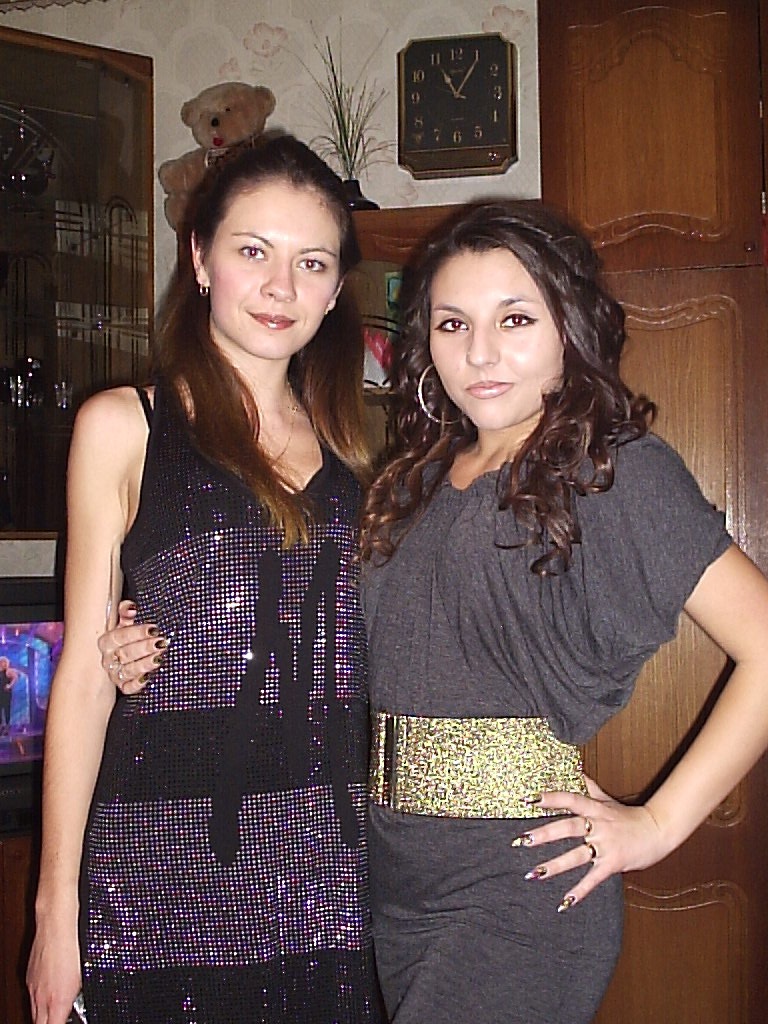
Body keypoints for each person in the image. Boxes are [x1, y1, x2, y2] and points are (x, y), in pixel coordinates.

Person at [95, 199, 768, 1023]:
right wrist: (148, 638)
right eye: (453, 324)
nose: (480, 352)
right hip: (383, 881)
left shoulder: (611, 469)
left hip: (516, 889)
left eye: (515, 319)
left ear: (570, 326)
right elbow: (314, 625)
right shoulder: (411, 480)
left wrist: (658, 823)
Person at [26, 134, 385, 1024]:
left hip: (331, 877)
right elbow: (83, 681)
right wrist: (53, 913)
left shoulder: (356, 454)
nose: (280, 287)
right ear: (199, 259)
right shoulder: (125, 425)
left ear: (335, 290)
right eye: (253, 251)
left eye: (311, 263)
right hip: (160, 873)